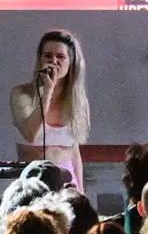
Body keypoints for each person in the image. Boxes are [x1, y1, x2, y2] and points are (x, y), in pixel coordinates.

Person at [10, 29, 90, 191]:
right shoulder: (21, 94)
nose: (53, 61)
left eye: (60, 57)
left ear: (70, 62)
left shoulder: (75, 99)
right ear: (39, 61)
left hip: (66, 179)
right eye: (47, 56)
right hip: (32, 179)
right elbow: (30, 135)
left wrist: (81, 188)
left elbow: (74, 150)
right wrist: (48, 91)